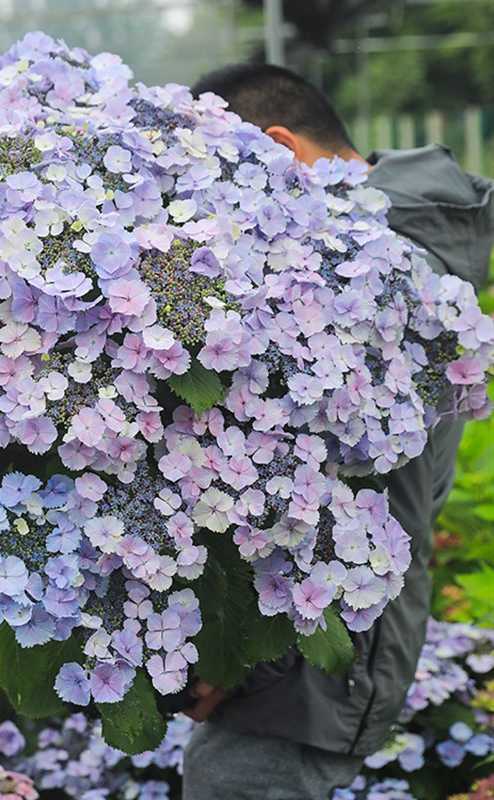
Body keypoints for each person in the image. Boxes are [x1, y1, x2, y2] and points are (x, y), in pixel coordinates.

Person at [182, 63, 494, 800]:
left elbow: (337, 508)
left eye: (217, 176)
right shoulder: (386, 252)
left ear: (278, 150)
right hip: (313, 654)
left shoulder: (378, 273)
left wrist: (237, 664)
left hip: (311, 664)